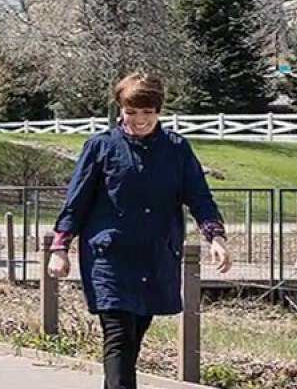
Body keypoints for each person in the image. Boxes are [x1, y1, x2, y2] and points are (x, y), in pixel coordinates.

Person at [47, 72, 231, 389]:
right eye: (131, 112)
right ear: (120, 109)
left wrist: (215, 236)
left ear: (159, 111)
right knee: (118, 338)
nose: (139, 120)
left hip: (155, 258)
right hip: (110, 259)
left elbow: (199, 196)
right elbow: (75, 202)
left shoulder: (177, 150)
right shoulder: (100, 147)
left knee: (132, 344)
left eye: (147, 112)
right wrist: (60, 248)